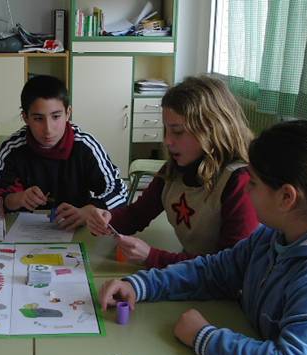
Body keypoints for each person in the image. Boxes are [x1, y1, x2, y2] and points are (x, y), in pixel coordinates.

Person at [99, 120, 307, 355]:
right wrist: (139, 284)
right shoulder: (270, 237)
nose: (247, 190)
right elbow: (213, 271)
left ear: (286, 197)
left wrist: (203, 337)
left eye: (253, 183)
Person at [87, 76, 259, 268]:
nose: (168, 141)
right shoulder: (173, 170)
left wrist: (152, 256)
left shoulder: (239, 182)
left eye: (177, 132)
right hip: (192, 272)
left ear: (212, 129)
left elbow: (230, 267)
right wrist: (107, 219)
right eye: (166, 130)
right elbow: (137, 215)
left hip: (222, 286)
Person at [0, 75, 128, 231]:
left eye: (56, 116)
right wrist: (16, 199)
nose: (48, 129)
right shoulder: (12, 149)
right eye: (38, 119)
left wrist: (88, 210)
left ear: (68, 113)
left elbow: (119, 191)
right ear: (25, 117)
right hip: (25, 232)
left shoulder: (85, 146)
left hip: (75, 230)